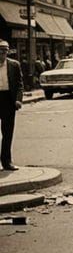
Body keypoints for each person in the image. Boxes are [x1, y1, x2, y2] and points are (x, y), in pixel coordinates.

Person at [0, 42, 21, 171]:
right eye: (0, 51)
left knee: (7, 133)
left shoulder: (14, 65)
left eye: (4, 51)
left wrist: (18, 100)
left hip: (8, 99)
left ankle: (6, 161)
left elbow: (19, 84)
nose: (2, 53)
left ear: (8, 52)